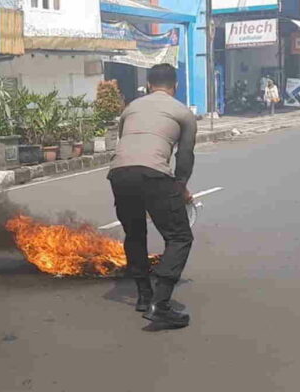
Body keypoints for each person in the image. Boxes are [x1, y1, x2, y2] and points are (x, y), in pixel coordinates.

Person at [108, 64, 197, 331]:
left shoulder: (130, 108)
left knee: (135, 234)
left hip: (119, 174)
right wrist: (181, 186)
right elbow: (185, 156)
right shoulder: (183, 112)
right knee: (180, 237)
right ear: (176, 86)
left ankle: (144, 296)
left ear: (148, 85)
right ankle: (161, 304)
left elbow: (126, 143)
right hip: (154, 174)